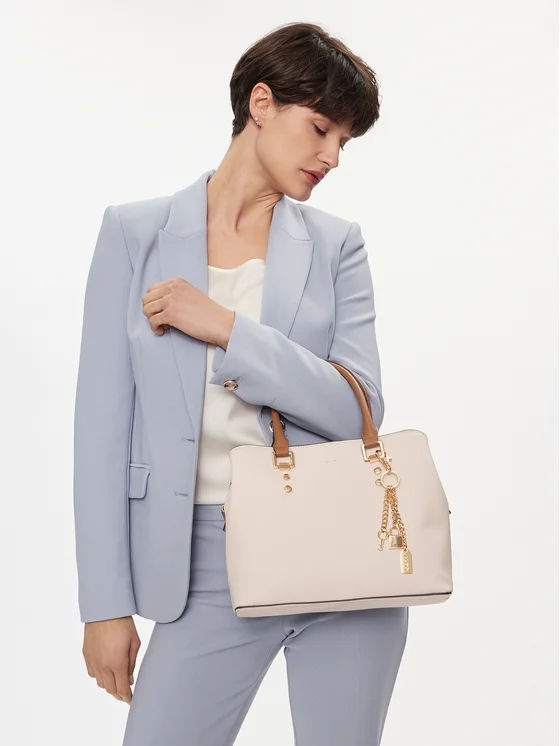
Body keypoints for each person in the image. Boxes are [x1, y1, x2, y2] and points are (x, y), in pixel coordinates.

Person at [73, 20, 409, 746]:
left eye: (344, 141)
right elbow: (99, 431)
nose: (332, 156)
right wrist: (103, 603)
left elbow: (357, 409)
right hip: (200, 563)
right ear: (261, 103)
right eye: (320, 128)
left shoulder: (336, 246)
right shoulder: (134, 235)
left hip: (342, 557)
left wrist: (229, 329)